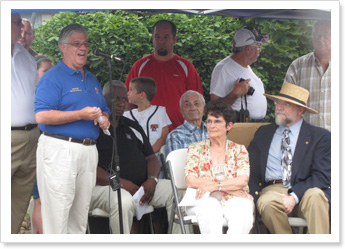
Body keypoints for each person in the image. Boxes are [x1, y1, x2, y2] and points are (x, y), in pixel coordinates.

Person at [35, 24, 110, 234]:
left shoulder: (92, 78)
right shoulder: (53, 77)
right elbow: (42, 116)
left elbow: (105, 110)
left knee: (79, 219)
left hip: (88, 151)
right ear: (63, 47)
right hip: (60, 149)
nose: (83, 48)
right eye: (76, 43)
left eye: (85, 43)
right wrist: (80, 114)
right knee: (57, 217)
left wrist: (104, 119)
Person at [89, 80, 174, 234]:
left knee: (176, 192)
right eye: (116, 99)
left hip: (141, 188)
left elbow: (151, 157)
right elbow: (89, 169)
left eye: (124, 99)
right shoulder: (91, 128)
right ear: (103, 99)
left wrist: (152, 180)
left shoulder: (132, 126)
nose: (121, 103)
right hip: (108, 187)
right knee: (123, 201)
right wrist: (120, 183)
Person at [248, 82, 331, 234]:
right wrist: (252, 197)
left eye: (285, 105)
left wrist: (294, 197)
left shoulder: (320, 137)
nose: (278, 108)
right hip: (273, 189)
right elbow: (250, 169)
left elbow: (322, 176)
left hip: (306, 189)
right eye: (278, 103)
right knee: (265, 202)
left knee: (317, 196)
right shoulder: (263, 133)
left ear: (300, 110)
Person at [184, 100, 254, 234]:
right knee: (209, 208)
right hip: (203, 198)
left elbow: (242, 180)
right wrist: (227, 186)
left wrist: (215, 187)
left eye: (217, 121)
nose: (211, 125)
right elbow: (191, 180)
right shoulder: (195, 149)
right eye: (209, 121)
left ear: (229, 126)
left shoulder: (239, 150)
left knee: (243, 209)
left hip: (233, 198)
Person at [125, 20, 204, 130]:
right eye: (157, 37)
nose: (161, 41)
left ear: (174, 39)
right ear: (153, 38)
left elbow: (197, 103)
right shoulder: (140, 66)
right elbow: (128, 102)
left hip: (180, 133)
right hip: (146, 134)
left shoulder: (186, 67)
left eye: (166, 37)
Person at [11, 13, 40, 234]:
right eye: (16, 22)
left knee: (19, 201)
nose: (21, 27)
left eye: (22, 23)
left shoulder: (26, 57)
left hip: (31, 136)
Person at [210, 27, 269, 122]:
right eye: (258, 47)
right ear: (248, 49)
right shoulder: (223, 69)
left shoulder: (245, 66)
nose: (260, 51)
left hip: (250, 126)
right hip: (239, 125)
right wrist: (235, 94)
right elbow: (214, 108)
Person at [285, 20, 331, 131]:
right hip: (307, 140)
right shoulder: (297, 66)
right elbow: (285, 104)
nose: (321, 40)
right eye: (317, 35)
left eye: (326, 35)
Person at [124, 77, 171, 179]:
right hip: (134, 162)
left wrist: (148, 154)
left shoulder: (160, 111)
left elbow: (164, 137)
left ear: (142, 95)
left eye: (131, 89)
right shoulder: (126, 116)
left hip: (156, 163)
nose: (128, 93)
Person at [31, 55, 54, 234]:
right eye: (45, 71)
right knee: (40, 199)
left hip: (52, 153)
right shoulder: (31, 95)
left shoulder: (52, 93)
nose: (49, 75)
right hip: (34, 152)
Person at [165, 90, 208, 157]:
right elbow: (176, 166)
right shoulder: (175, 136)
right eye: (187, 105)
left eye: (196, 103)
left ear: (204, 109)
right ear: (182, 112)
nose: (193, 108)